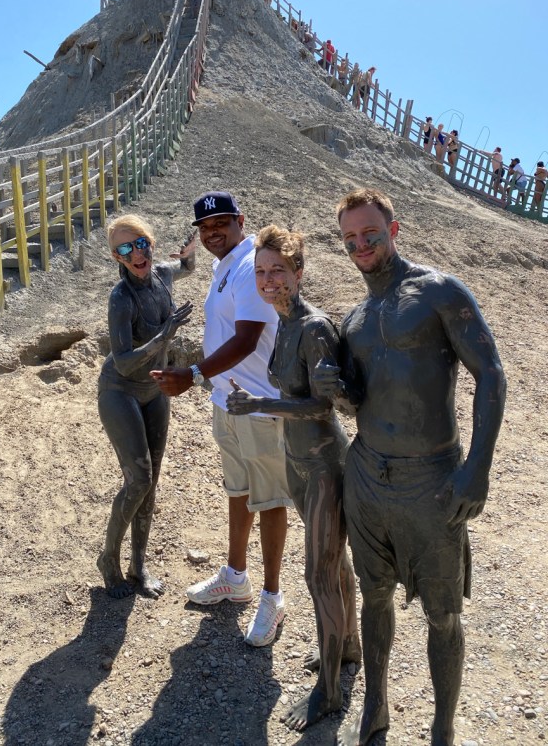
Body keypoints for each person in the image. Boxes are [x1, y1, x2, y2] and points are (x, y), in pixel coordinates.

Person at [315, 188, 506, 746]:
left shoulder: (439, 291)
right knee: (374, 594)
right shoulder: (354, 318)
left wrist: (478, 467)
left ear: (393, 231)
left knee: (443, 613)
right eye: (350, 238)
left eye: (370, 233)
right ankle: (375, 706)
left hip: (432, 478)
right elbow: (357, 402)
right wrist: (335, 388)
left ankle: (443, 729)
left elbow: (490, 373)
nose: (361, 245)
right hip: (367, 475)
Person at [226, 225, 361, 731]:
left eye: (278, 270)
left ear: (298, 272)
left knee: (318, 573)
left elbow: (323, 406)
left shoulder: (313, 326)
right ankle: (348, 646)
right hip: (297, 459)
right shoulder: (282, 322)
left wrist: (259, 404)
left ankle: (328, 691)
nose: (268, 280)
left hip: (324, 463)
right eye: (261, 272)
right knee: (333, 560)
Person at [151, 193, 293, 647]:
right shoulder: (225, 265)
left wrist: (194, 373)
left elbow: (248, 339)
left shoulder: (251, 265)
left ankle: (272, 596)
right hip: (229, 400)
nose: (212, 232)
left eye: (220, 223)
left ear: (239, 221)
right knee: (239, 490)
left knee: (269, 500)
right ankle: (235, 576)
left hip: (260, 404)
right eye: (205, 226)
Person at [96, 215, 196, 599]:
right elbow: (123, 362)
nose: (136, 254)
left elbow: (186, 267)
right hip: (119, 390)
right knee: (137, 480)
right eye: (125, 249)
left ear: (151, 244)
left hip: (154, 390)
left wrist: (189, 254)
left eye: (141, 244)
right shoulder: (120, 299)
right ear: (116, 258)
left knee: (150, 483)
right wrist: (164, 335)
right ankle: (109, 558)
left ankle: (139, 566)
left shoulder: (163, 275)